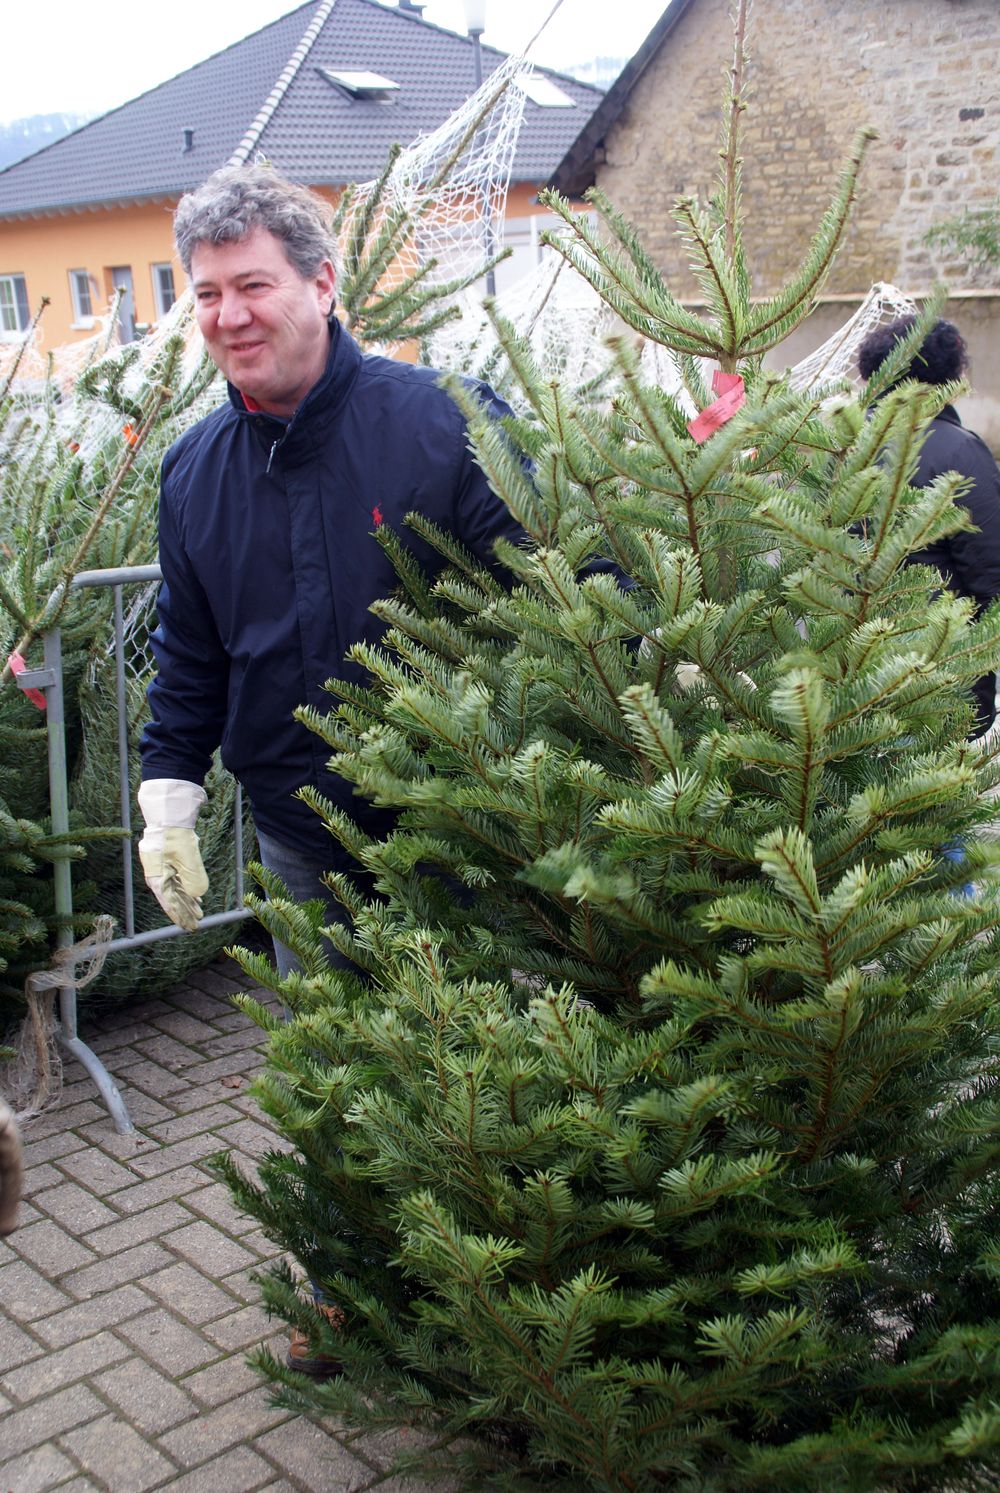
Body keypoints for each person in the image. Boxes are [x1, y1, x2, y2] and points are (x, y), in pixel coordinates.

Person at [137, 164, 525, 976]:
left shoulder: (445, 421)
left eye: (253, 284)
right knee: (337, 1084)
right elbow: (191, 656)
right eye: (207, 294)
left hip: (459, 839)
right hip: (300, 844)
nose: (230, 315)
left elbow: (552, 581)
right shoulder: (193, 472)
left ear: (321, 284)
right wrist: (168, 803)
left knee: (475, 1090)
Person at [856, 315, 1000, 737]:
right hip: (940, 669)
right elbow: (991, 571)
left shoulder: (841, 445)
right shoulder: (961, 451)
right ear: (948, 373)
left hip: (850, 663)